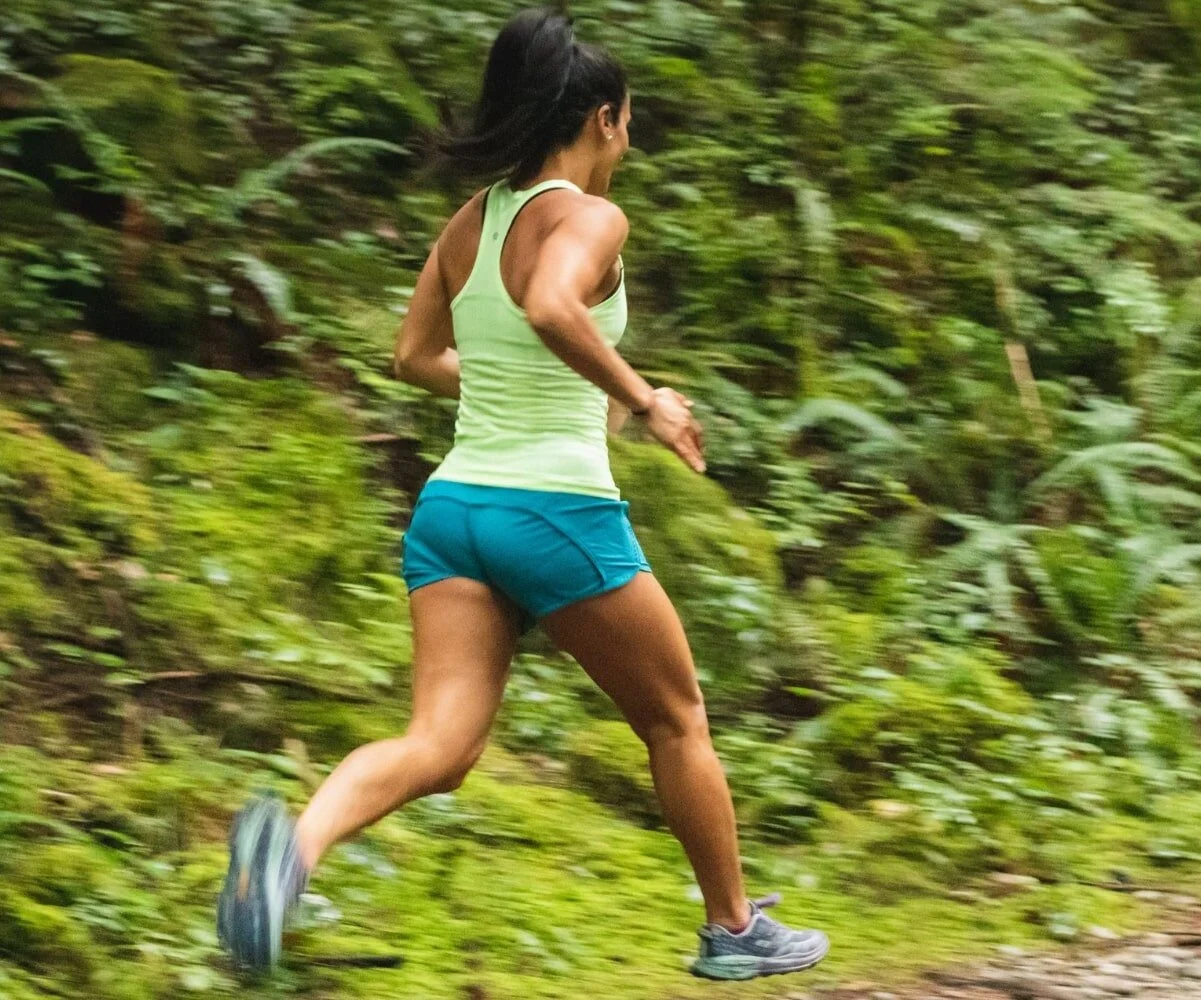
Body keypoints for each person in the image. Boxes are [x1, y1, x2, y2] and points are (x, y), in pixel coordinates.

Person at [215, 6, 829, 982]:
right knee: (676, 719)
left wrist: (538, 386)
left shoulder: (471, 221)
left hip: (454, 512)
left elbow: (412, 357)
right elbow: (549, 303)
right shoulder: (590, 217)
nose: (628, 141)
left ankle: (287, 856)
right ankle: (734, 929)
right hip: (553, 511)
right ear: (600, 119)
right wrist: (646, 399)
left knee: (439, 744)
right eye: (627, 122)